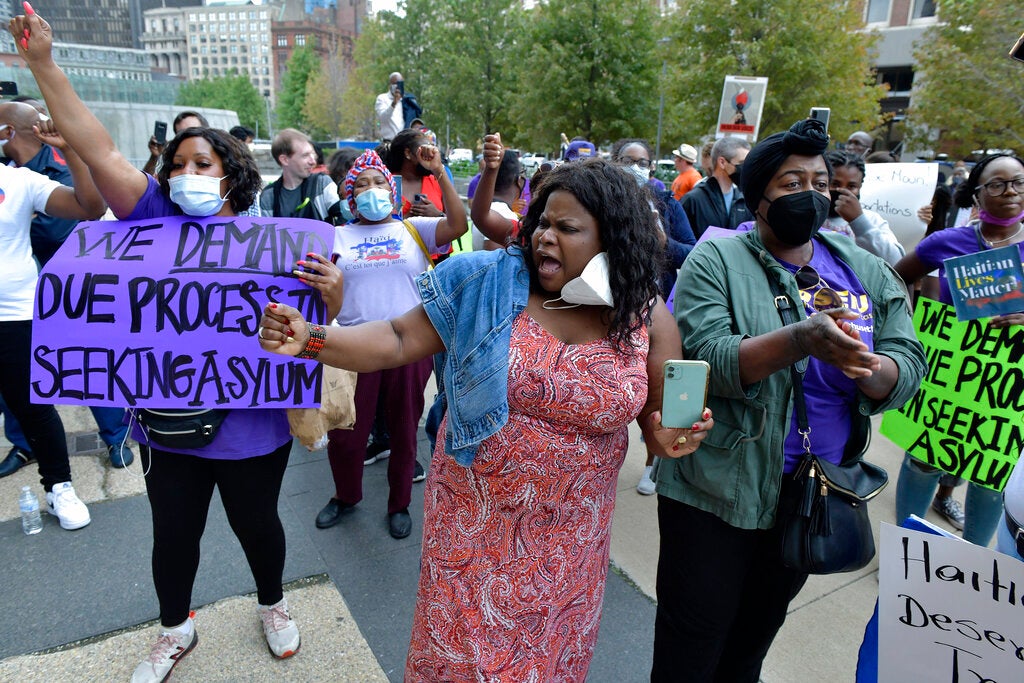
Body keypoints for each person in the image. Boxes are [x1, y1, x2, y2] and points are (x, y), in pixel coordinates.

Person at [258, 155, 713, 681]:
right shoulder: (484, 282)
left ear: (613, 237)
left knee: (546, 664)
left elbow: (659, 433)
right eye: (543, 221)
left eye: (567, 228)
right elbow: (398, 338)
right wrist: (312, 338)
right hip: (472, 532)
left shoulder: (646, 315)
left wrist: (676, 436)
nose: (545, 237)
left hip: (570, 545)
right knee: (462, 663)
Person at [12, 9, 345, 679]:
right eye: (177, 163)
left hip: (252, 426)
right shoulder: (152, 219)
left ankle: (273, 602)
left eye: (202, 162)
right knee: (173, 537)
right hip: (169, 429)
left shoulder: (275, 241)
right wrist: (44, 65)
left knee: (259, 526)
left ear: (232, 176)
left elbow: (323, 323)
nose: (184, 170)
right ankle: (175, 627)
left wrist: (332, 293)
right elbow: (98, 146)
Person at [654, 118, 926, 681]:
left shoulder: (866, 270)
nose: (810, 194)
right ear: (758, 200)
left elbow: (908, 361)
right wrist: (800, 339)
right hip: (715, 493)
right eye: (791, 183)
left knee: (753, 638)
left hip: (810, 493)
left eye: (820, 183)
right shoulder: (717, 260)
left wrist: (873, 369)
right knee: (692, 644)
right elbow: (709, 360)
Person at [313, 147, 466, 538]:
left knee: (403, 430)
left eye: (379, 182)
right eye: (361, 185)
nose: (371, 190)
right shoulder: (335, 237)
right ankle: (345, 496)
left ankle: (399, 503)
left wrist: (440, 173)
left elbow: (460, 225)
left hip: (409, 346)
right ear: (350, 198)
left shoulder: (414, 229)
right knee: (346, 434)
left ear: (391, 188)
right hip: (353, 346)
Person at [892, 153, 1024, 547]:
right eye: (998, 184)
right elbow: (894, 280)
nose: (1011, 191)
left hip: (1003, 387)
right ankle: (909, 556)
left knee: (990, 474)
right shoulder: (947, 243)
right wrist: (910, 327)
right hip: (946, 380)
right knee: (922, 462)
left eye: (1019, 182)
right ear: (977, 195)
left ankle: (973, 568)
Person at [0, 100, 134, 473]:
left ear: (9, 132)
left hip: (75, 282)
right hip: (26, 290)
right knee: (16, 374)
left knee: (85, 359)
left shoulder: (55, 167)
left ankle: (115, 436)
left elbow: (71, 220)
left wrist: (22, 216)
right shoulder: (9, 175)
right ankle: (24, 445)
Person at [0, 107, 105, 533]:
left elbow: (89, 207)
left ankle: (60, 487)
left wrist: (73, 153)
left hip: (14, 315)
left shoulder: (18, 180)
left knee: (33, 407)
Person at [609, 137, 697, 495]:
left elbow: (691, 252)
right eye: (629, 160)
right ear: (615, 162)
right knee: (616, 389)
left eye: (643, 161)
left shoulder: (667, 204)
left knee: (659, 392)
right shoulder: (602, 201)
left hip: (656, 310)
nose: (637, 167)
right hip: (612, 312)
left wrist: (663, 242)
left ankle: (651, 465)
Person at [822, 150, 905, 265]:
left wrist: (859, 221)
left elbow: (896, 262)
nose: (842, 190)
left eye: (851, 186)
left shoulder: (872, 220)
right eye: (835, 184)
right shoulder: (811, 216)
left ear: (860, 187)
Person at [260, 128, 340, 223]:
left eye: (313, 155)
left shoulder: (322, 184)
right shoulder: (269, 196)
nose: (313, 161)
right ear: (284, 160)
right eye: (305, 155)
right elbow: (267, 233)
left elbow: (344, 218)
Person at [680, 135, 752, 237]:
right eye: (742, 163)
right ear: (722, 162)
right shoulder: (693, 201)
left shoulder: (744, 201)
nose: (746, 168)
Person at [142, 110, 209, 176]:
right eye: (181, 133)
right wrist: (154, 157)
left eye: (193, 131)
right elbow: (145, 184)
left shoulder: (216, 154)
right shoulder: (173, 160)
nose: (187, 137)